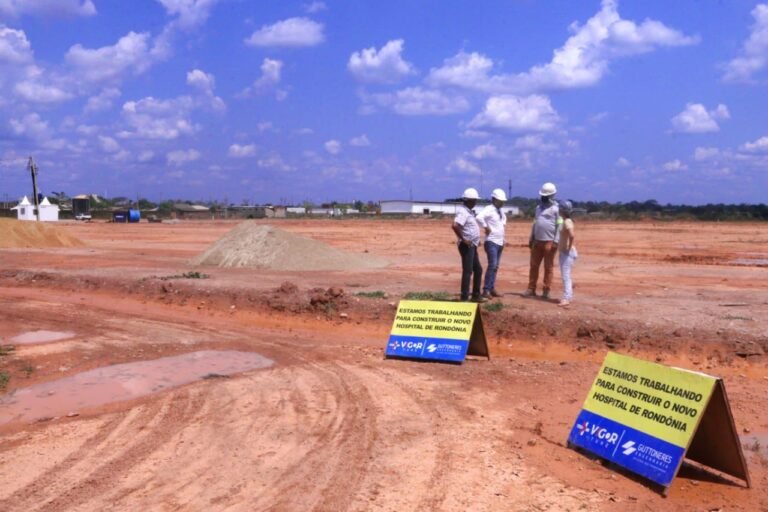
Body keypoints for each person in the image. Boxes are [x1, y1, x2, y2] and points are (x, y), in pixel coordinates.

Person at [524, 182, 560, 299]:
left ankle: (546, 291)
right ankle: (531, 289)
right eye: (542, 195)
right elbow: (535, 223)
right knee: (533, 266)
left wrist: (556, 241)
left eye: (545, 195)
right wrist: (531, 237)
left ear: (551, 196)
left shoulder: (556, 209)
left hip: (550, 242)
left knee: (548, 268)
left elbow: (559, 225)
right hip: (537, 241)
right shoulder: (538, 208)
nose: (543, 197)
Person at [452, 187, 486, 302]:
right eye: (474, 200)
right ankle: (464, 297)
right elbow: (455, 226)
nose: (476, 202)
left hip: (472, 245)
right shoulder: (463, 211)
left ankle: (476, 295)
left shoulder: (468, 211)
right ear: (469, 200)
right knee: (468, 271)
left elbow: (469, 227)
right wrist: (463, 239)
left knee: (478, 269)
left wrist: (476, 239)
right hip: (466, 246)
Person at [477, 188, 507, 299]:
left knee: (496, 266)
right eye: (500, 200)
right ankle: (486, 290)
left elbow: (502, 226)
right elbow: (479, 217)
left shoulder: (501, 212)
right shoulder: (489, 209)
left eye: (503, 201)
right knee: (492, 265)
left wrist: (504, 239)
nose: (502, 202)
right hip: (491, 242)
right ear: (494, 199)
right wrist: (485, 227)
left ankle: (491, 287)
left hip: (499, 242)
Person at [558, 200, 577, 307]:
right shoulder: (564, 220)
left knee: (566, 276)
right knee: (566, 275)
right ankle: (568, 293)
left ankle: (567, 298)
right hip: (566, 252)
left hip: (567, 253)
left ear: (562, 210)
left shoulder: (567, 221)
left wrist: (568, 248)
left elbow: (572, 235)